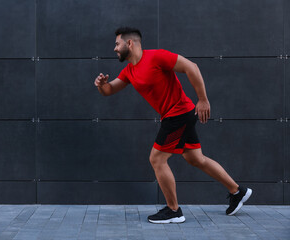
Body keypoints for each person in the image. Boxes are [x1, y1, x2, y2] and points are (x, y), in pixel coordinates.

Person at [94, 27, 252, 224]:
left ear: (130, 43)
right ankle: (237, 191)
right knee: (196, 158)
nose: (115, 48)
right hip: (175, 116)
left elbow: (191, 67)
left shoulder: (156, 57)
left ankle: (173, 210)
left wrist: (203, 100)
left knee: (157, 159)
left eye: (117, 44)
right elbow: (110, 90)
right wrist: (101, 85)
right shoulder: (129, 71)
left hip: (179, 114)